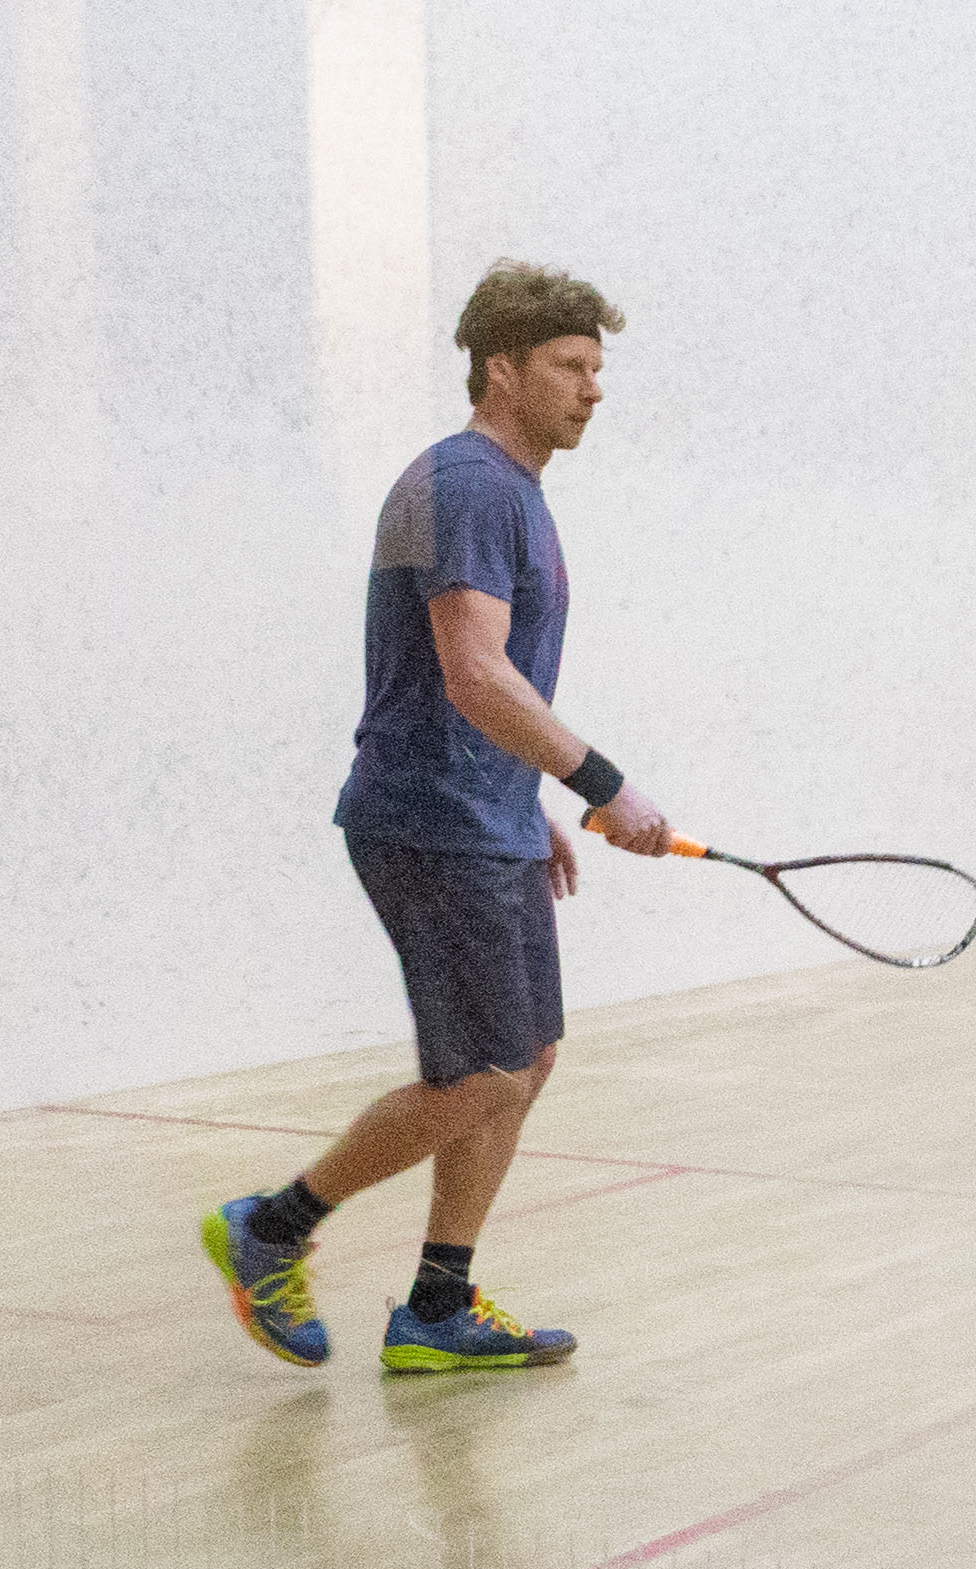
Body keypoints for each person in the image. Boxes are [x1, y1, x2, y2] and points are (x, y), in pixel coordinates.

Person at [196, 264, 676, 1374]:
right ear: (501, 369)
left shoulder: (512, 490)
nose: (592, 389)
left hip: (484, 813)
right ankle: (270, 1227)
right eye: (569, 366)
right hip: (429, 821)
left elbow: (480, 685)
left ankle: (438, 1305)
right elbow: (473, 672)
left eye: (597, 368)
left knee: (528, 1059)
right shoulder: (467, 486)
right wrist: (601, 783)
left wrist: (526, 793)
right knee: (484, 1074)